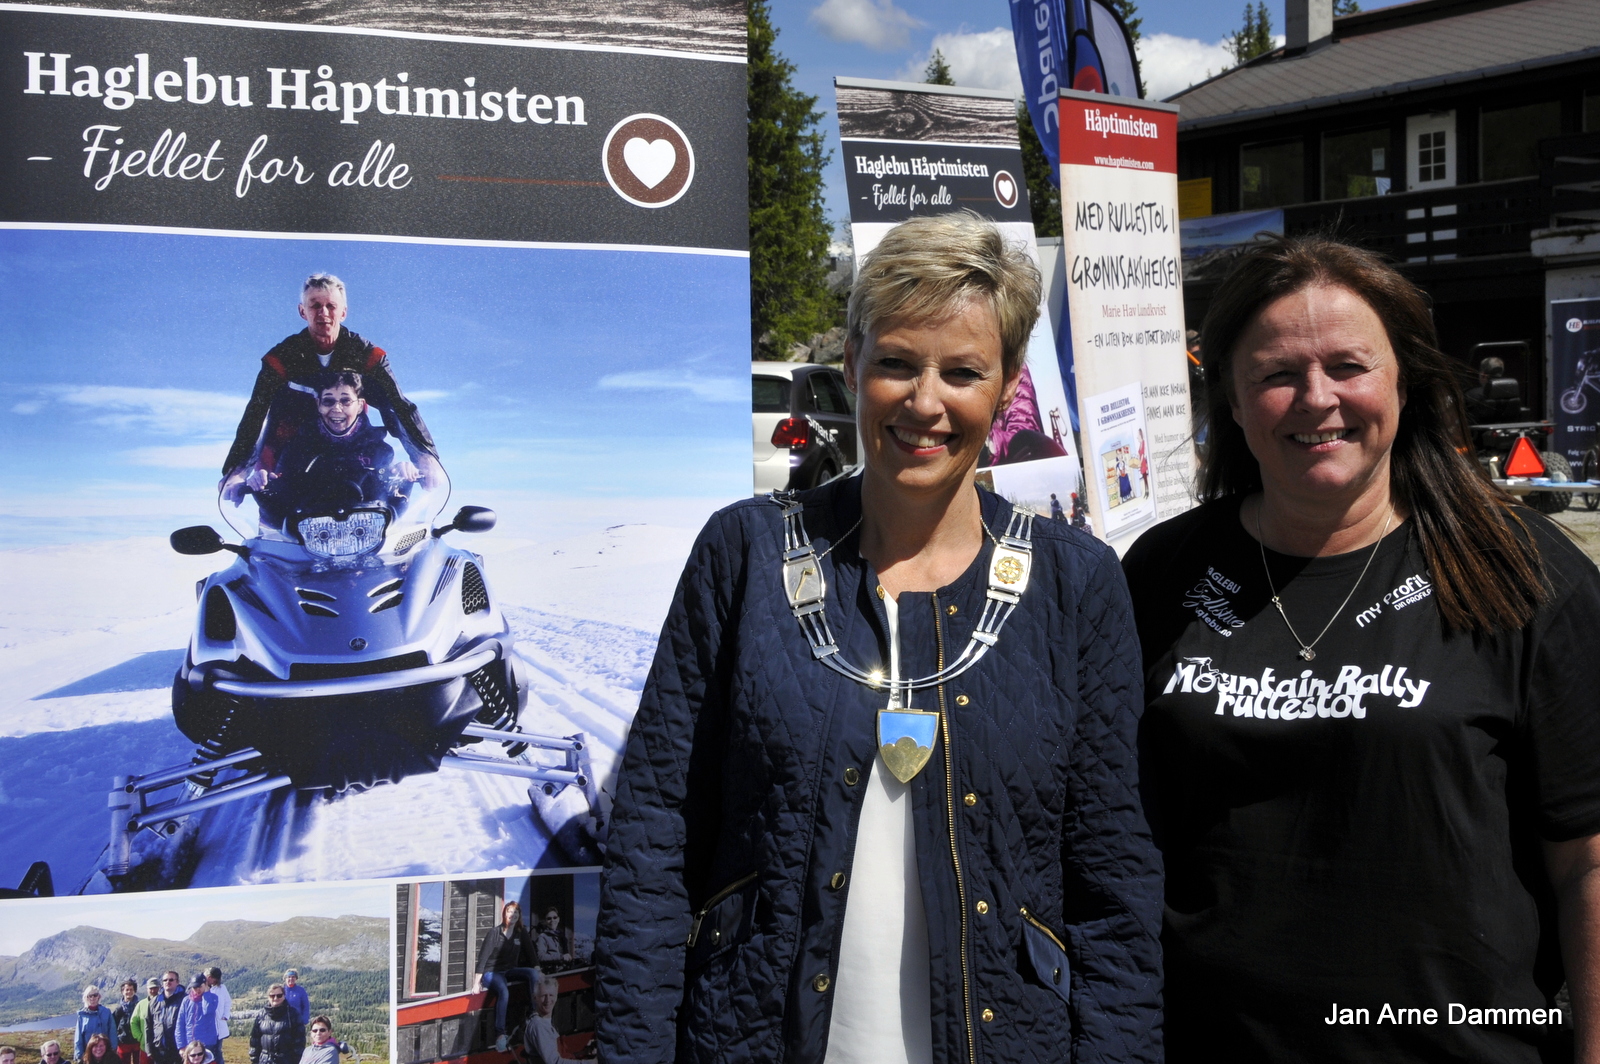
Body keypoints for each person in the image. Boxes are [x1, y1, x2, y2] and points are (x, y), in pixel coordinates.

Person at [594, 211, 1162, 1063]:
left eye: (962, 372)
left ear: (1007, 388)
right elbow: (655, 833)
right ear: (852, 364)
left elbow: (1113, 872)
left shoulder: (1075, 585)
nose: (924, 402)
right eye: (896, 362)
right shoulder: (744, 553)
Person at [1123, 234, 1600, 1063]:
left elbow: (1589, 864)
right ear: (1231, 399)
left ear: (1404, 382)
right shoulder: (1163, 572)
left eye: (1349, 366)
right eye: (1277, 374)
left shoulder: (1522, 571)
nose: (1317, 398)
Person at [220, 273, 436, 488]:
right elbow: (255, 415)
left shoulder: (367, 355)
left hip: (349, 448)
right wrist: (237, 471)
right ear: (302, 311)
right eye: (315, 305)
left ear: (343, 312)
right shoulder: (280, 358)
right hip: (290, 456)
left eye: (331, 306)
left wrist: (425, 457)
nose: (323, 313)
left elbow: (397, 406)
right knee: (275, 506)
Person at [473, 900, 539, 1053]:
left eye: (516, 912)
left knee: (533, 974)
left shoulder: (521, 932)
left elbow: (531, 954)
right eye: (510, 911)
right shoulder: (494, 933)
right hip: (491, 972)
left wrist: (538, 969)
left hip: (510, 970)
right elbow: (483, 958)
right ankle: (500, 1034)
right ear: (504, 913)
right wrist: (476, 983)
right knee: (503, 991)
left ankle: (533, 1013)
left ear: (519, 916)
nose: (513, 915)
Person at [523, 970, 588, 1064]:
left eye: (551, 995)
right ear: (534, 998)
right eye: (543, 996)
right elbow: (554, 1062)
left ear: (556, 997)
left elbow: (560, 1056)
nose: (548, 1000)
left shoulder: (545, 1021)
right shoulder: (538, 1025)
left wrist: (585, 1053)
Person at [248, 985, 304, 1064]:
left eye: (279, 995)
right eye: (272, 996)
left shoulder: (293, 1014)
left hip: (286, 1060)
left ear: (284, 996)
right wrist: (254, 1058)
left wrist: (296, 1060)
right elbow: (255, 1040)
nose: (275, 998)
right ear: (268, 997)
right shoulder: (261, 1015)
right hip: (264, 1060)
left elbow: (299, 1041)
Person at [174, 977, 218, 1061]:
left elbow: (208, 1010)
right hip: (189, 1044)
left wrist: (206, 993)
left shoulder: (213, 997)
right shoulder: (186, 1000)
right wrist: (181, 1046)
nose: (197, 990)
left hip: (207, 1044)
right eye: (194, 987)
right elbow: (180, 1024)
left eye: (200, 987)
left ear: (205, 985)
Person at [145, 974, 183, 1064]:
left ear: (177, 982)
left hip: (178, 1050)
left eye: (171, 980)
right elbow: (148, 1026)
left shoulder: (184, 1000)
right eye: (165, 980)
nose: (167, 982)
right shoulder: (154, 1002)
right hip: (159, 1050)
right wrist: (149, 1049)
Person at [75, 987, 118, 1063]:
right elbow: (79, 1038)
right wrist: (79, 1056)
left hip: (105, 1053)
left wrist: (113, 1050)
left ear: (99, 996)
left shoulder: (106, 1012)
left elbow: (112, 1032)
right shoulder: (82, 1015)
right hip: (89, 1055)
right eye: (90, 996)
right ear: (85, 998)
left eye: (95, 995)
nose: (92, 998)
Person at [534, 907, 576, 971]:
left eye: (555, 917)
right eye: (549, 919)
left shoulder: (561, 936)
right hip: (552, 970)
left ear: (558, 919)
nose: (552, 920)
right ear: (545, 921)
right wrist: (561, 957)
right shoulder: (542, 937)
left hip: (564, 968)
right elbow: (541, 956)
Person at [111, 981, 142, 1064]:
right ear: (122, 992)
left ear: (134, 991)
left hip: (137, 1042)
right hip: (123, 1043)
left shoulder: (139, 1006)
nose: (129, 992)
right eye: (127, 990)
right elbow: (113, 1026)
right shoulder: (119, 1010)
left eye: (131, 989)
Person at [202, 970, 229, 1064]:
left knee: (218, 1051)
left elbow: (227, 1002)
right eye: (213, 979)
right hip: (207, 1028)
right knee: (207, 1052)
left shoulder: (222, 988)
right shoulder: (201, 987)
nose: (214, 981)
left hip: (219, 1025)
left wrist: (225, 1015)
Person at [129, 980, 158, 1061]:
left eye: (155, 988)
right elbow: (133, 1022)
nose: (153, 991)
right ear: (147, 989)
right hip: (144, 1047)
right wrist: (140, 1037)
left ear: (159, 988)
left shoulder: (164, 1003)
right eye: (150, 988)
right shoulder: (141, 1004)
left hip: (160, 1048)